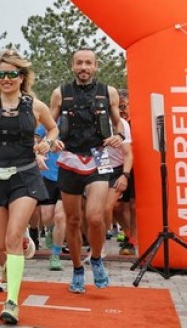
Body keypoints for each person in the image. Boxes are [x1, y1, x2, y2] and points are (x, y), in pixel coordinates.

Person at [0, 49, 58, 325]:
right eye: (1, 74)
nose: (6, 79)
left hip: (25, 176)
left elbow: (53, 129)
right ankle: (12, 262)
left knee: (13, 237)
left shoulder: (35, 106)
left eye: (12, 74)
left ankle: (12, 302)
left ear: (21, 77)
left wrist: (48, 143)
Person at [49, 48, 125, 294]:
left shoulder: (108, 92)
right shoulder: (60, 93)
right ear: (73, 66)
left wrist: (120, 136)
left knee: (95, 217)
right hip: (70, 158)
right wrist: (52, 141)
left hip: (98, 156)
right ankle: (77, 269)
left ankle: (96, 258)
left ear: (95, 66)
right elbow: (50, 125)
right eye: (79, 63)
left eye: (88, 63)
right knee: (73, 220)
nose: (84, 67)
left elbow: (118, 122)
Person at [35, 124, 66, 271]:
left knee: (60, 216)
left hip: (67, 173)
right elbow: (34, 139)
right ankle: (52, 229)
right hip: (48, 174)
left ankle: (55, 254)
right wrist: (40, 151)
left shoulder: (74, 121)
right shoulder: (47, 123)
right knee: (47, 217)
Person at [114, 89, 137, 255]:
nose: (121, 110)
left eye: (123, 106)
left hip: (136, 167)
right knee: (116, 207)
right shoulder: (115, 123)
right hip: (117, 167)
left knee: (134, 206)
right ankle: (129, 234)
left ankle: (132, 241)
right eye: (118, 107)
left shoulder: (137, 122)